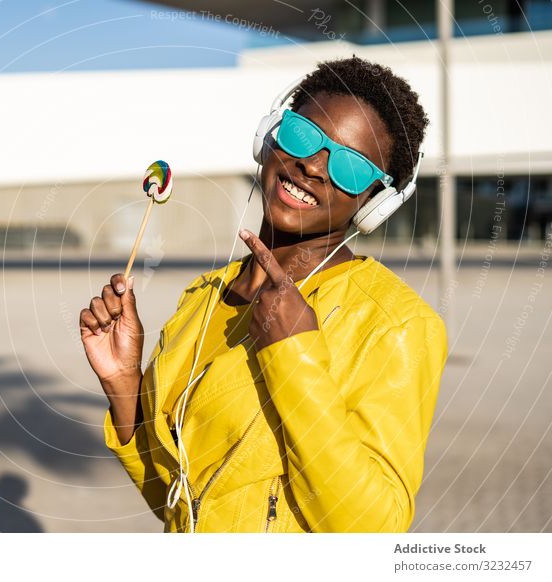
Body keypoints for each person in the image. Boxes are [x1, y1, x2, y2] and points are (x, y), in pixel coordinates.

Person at [79, 56, 448, 533]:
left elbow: (372, 530)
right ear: (269, 138)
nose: (313, 166)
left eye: (351, 167)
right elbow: (183, 502)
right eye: (302, 135)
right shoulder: (205, 296)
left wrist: (292, 354)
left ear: (375, 202)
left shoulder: (395, 325)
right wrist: (125, 384)